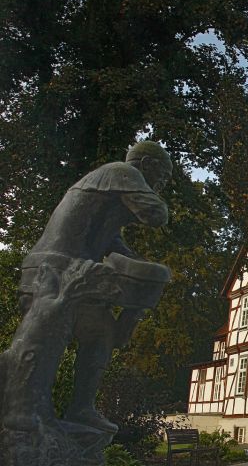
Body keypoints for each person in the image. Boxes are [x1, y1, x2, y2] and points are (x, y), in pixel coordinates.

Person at [17, 141, 171, 432]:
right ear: (147, 164)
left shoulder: (104, 186)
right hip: (55, 269)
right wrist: (153, 197)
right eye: (161, 176)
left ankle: (80, 409)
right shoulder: (122, 171)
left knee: (100, 333)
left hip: (72, 271)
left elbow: (108, 240)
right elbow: (155, 213)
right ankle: (25, 411)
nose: (160, 185)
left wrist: (137, 261)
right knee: (48, 339)